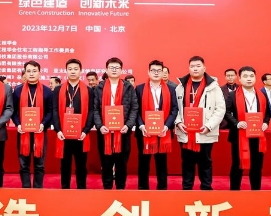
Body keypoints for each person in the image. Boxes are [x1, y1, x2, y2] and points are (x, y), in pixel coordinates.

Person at [175, 56, 225, 191]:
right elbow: (175, 108)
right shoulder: (180, 87)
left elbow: (220, 109)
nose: (195, 69)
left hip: (205, 132)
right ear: (189, 68)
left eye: (198, 66)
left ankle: (206, 189)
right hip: (185, 131)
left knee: (205, 163)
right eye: (192, 66)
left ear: (204, 68)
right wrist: (178, 122)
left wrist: (209, 126)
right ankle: (187, 189)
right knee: (187, 163)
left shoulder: (214, 87)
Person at [92, 57, 138, 190]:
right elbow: (95, 109)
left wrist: (128, 125)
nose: (114, 70)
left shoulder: (128, 87)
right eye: (111, 68)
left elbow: (134, 108)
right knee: (106, 164)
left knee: (121, 164)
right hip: (104, 132)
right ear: (106, 70)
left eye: (117, 68)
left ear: (121, 70)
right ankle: (107, 189)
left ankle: (120, 190)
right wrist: (100, 126)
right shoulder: (99, 88)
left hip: (123, 132)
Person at [135, 60, 178, 190]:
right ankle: (143, 189)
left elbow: (174, 110)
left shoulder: (171, 89)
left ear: (163, 73)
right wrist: (141, 126)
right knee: (143, 163)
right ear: (148, 72)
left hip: (163, 132)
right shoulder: (139, 89)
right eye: (153, 70)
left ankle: (162, 189)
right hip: (144, 132)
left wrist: (166, 126)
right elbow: (135, 110)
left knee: (161, 163)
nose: (156, 73)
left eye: (159, 71)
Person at [224, 66, 269, 190]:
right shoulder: (232, 95)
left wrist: (266, 122)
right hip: (239, 135)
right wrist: (237, 123)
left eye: (251, 76)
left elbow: (267, 113)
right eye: (245, 76)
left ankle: (255, 192)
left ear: (255, 78)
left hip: (257, 135)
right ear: (239, 79)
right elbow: (226, 112)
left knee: (257, 166)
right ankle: (234, 192)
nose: (249, 79)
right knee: (237, 165)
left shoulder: (262, 94)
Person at [53, 58, 93, 189]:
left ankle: (81, 189)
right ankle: (65, 189)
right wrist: (58, 130)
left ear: (80, 71)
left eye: (76, 69)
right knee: (65, 165)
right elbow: (54, 110)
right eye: (70, 69)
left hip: (81, 134)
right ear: (66, 71)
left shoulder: (88, 90)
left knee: (81, 165)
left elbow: (91, 111)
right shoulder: (58, 89)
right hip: (63, 134)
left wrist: (85, 130)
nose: (73, 71)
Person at [12, 60, 53, 188]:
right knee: (23, 165)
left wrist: (43, 124)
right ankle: (26, 189)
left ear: (39, 73)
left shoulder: (47, 91)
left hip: (40, 132)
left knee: (39, 165)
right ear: (24, 73)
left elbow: (50, 111)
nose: (31, 73)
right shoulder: (18, 91)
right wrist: (18, 124)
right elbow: (13, 111)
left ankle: (37, 189)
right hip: (23, 132)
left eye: (34, 71)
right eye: (28, 71)